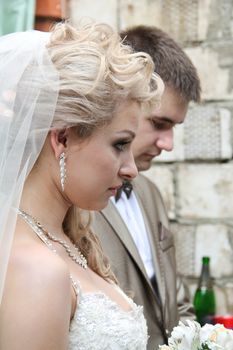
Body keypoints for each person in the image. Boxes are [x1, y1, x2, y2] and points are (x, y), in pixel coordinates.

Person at [0, 21, 163, 349]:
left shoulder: (64, 240)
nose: (131, 169)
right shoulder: (35, 269)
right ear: (62, 137)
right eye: (120, 144)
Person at [91, 25, 201, 349]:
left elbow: (175, 303)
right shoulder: (72, 200)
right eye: (160, 124)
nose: (169, 143)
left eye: (175, 128)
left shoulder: (150, 193)